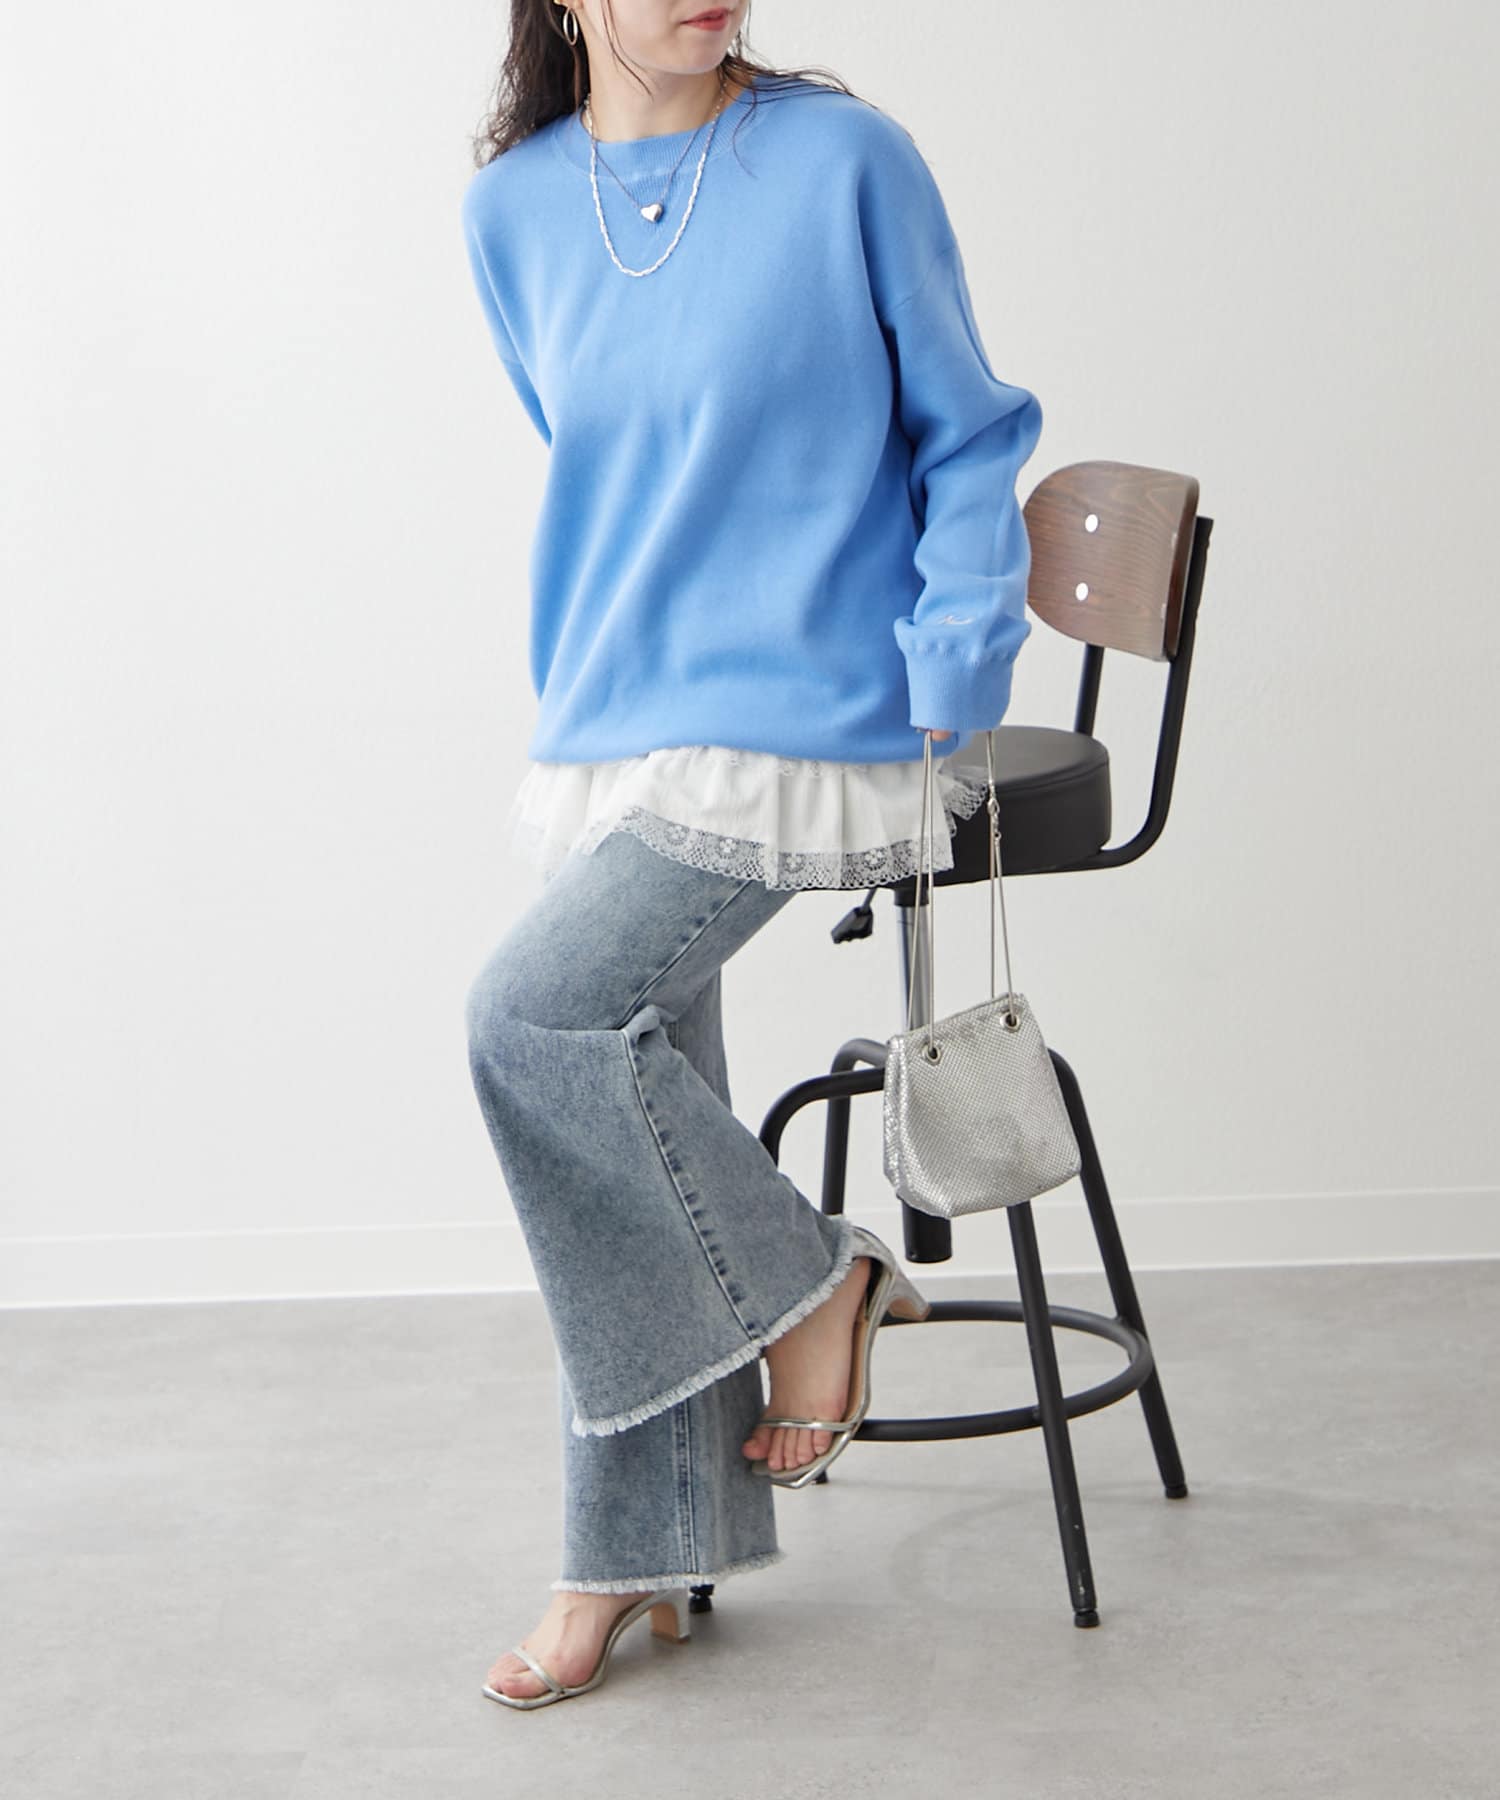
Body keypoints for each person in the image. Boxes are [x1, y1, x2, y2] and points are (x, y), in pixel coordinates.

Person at [460, 0, 1042, 1708]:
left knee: (533, 1021)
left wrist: (957, 653)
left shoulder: (845, 161)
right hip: (618, 716)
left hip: (826, 704)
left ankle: (812, 1283)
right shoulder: (511, 212)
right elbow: (603, 459)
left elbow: (970, 429)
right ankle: (646, 1538)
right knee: (617, 1112)